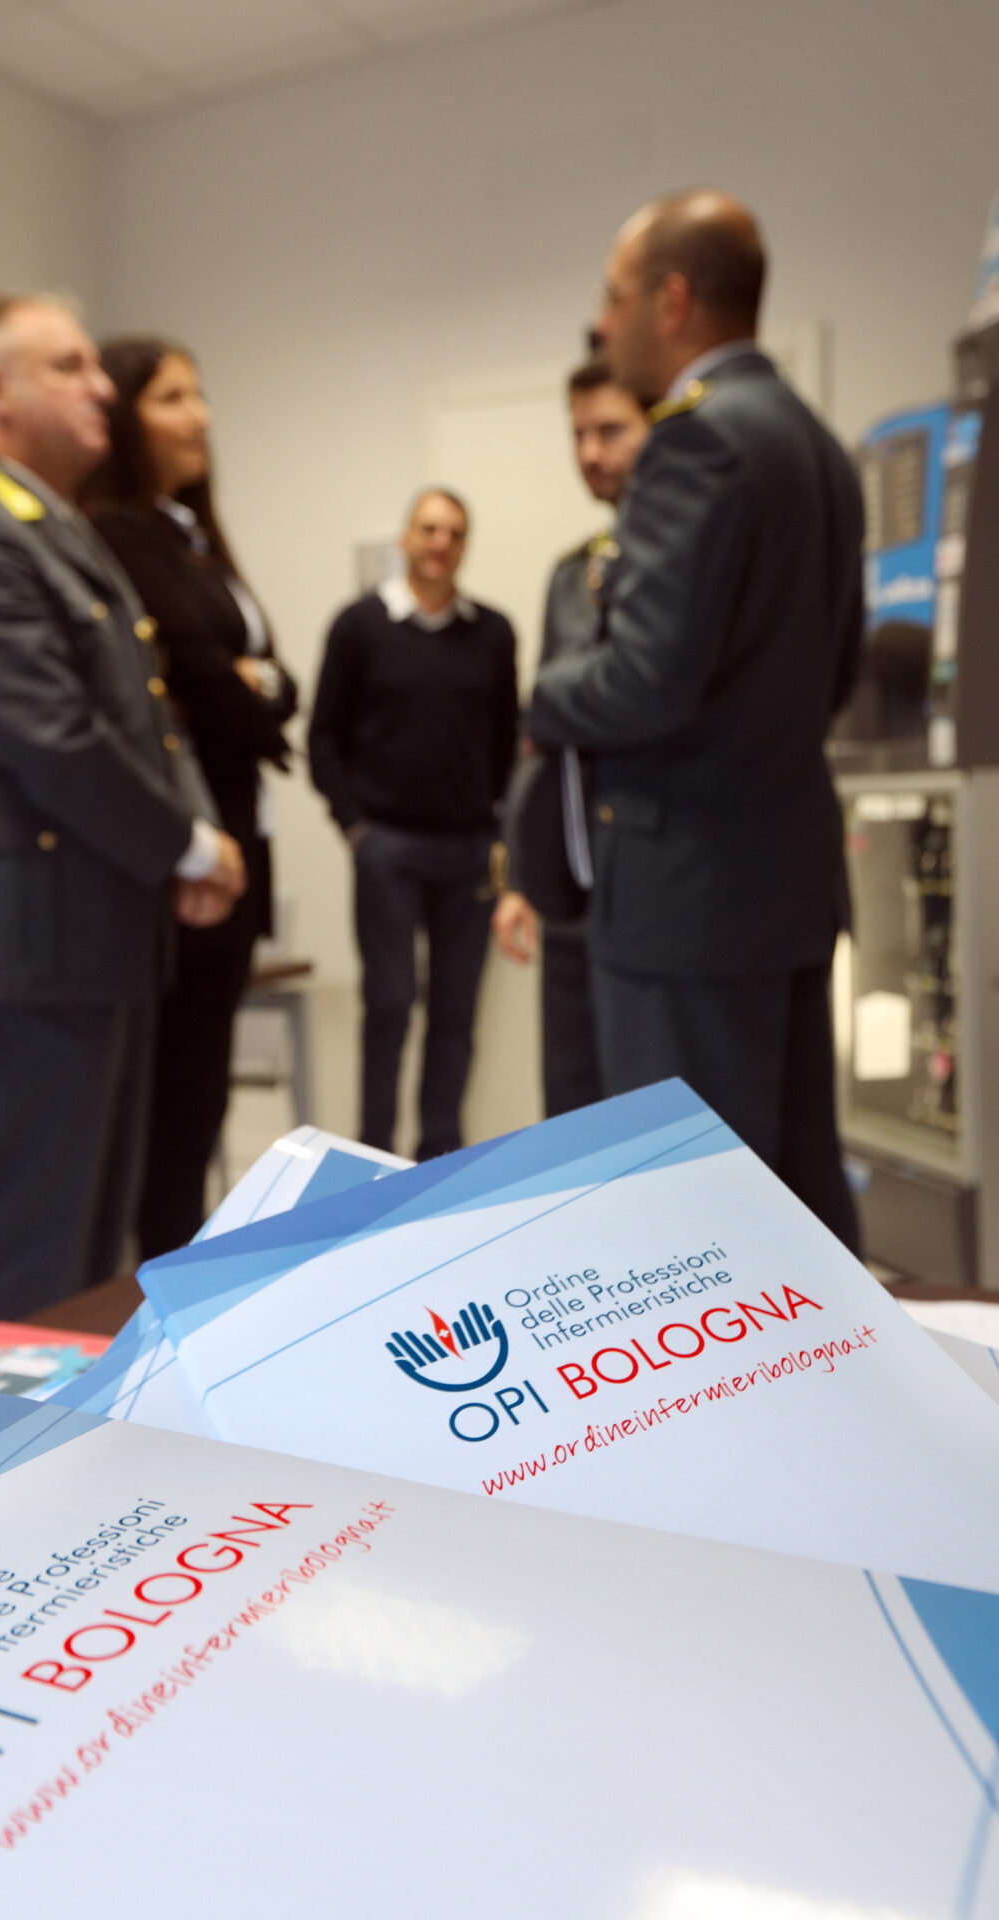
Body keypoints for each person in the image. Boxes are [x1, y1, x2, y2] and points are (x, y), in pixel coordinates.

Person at [0, 294, 245, 1331]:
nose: (101, 387)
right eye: (69, 366)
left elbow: (146, 714)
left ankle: (75, 1465)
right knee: (38, 1249)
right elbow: (47, 733)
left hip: (92, 931)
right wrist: (184, 841)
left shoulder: (56, 529)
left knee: (93, 1252)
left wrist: (190, 836)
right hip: (32, 947)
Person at [528, 191, 863, 1249]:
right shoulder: (816, 444)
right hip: (783, 883)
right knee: (799, 1205)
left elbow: (640, 685)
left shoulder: (695, 441)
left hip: (685, 901)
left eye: (614, 297)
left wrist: (539, 691)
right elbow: (836, 670)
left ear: (670, 301)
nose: (602, 322)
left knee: (690, 1234)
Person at [81, 337, 297, 1257]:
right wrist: (252, 685)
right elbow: (208, 684)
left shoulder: (192, 536)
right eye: (173, 398)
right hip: (184, 851)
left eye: (200, 394)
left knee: (203, 1093)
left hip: (242, 836)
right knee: (175, 1105)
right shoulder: (122, 533)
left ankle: (182, 1276)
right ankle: (156, 1294)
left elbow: (277, 684)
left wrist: (258, 684)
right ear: (126, 416)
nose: (199, 415)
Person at [309, 489, 518, 1159]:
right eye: (429, 528)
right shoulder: (359, 626)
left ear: (465, 545)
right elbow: (323, 737)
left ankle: (441, 1162)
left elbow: (508, 742)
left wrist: (503, 834)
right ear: (405, 538)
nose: (440, 542)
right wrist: (354, 826)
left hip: (468, 851)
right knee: (391, 1005)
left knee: (455, 1018)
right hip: (387, 849)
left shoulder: (493, 633)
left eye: (455, 531)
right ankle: (374, 1157)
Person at [493, 357, 649, 1117]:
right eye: (579, 434)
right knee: (572, 1110)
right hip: (570, 891)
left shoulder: (677, 562)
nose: (591, 452)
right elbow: (541, 741)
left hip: (654, 885)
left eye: (612, 430)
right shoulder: (570, 574)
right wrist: (522, 874)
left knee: (647, 1115)